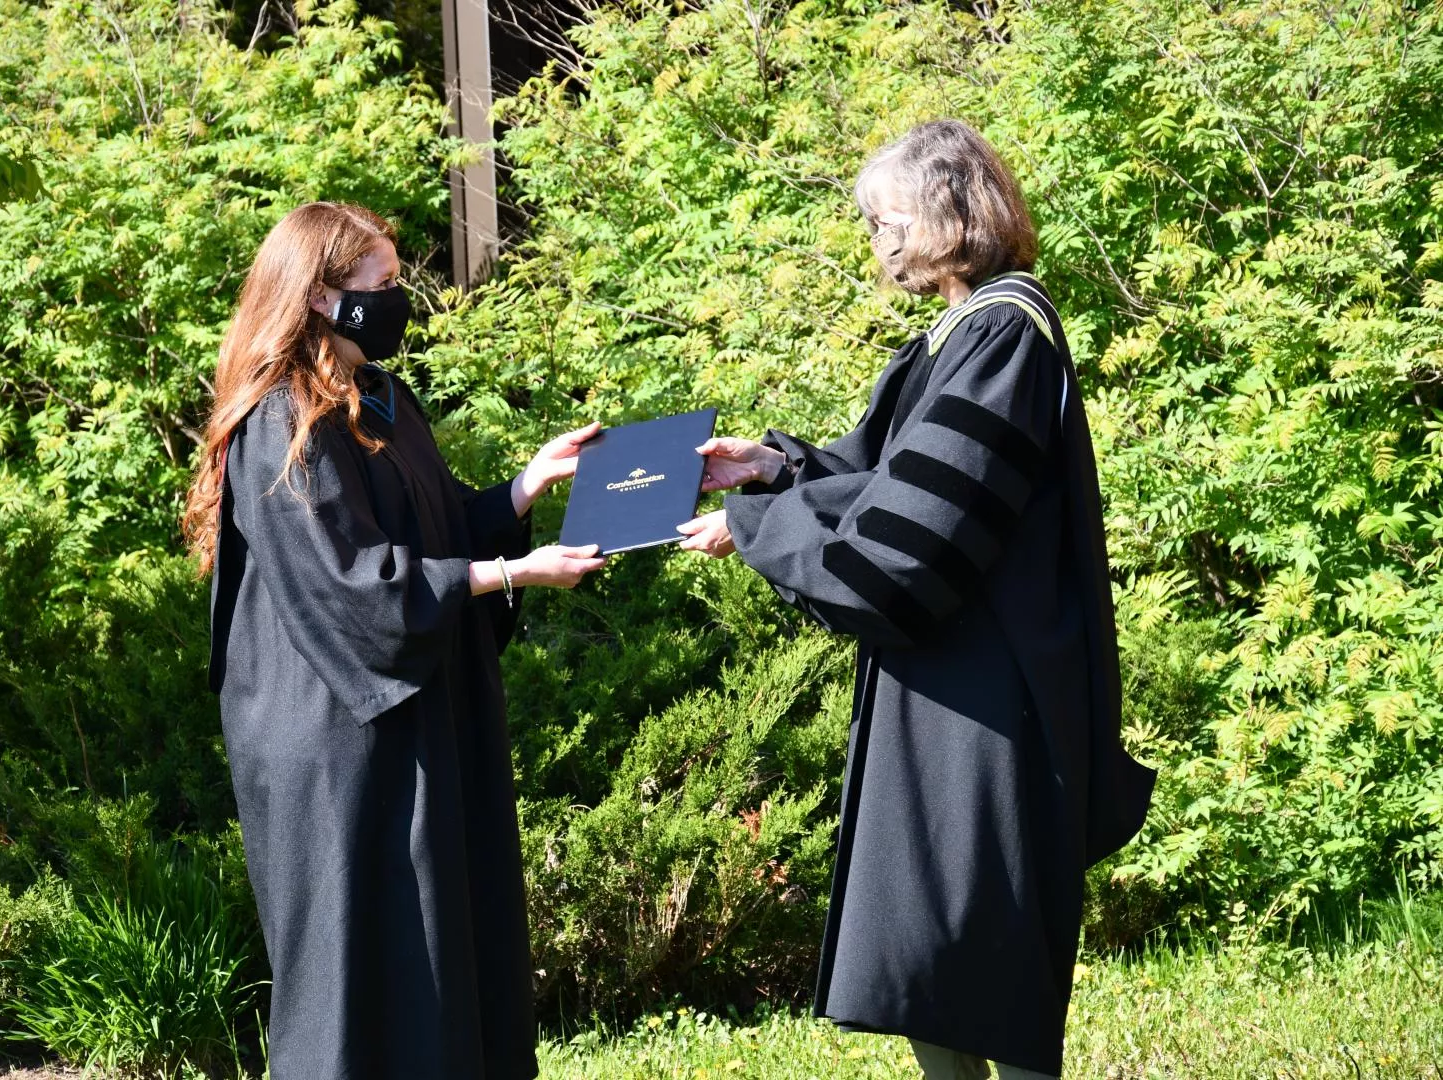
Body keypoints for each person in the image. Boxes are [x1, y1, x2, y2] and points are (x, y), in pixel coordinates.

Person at [676, 120, 1156, 1079]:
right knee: (934, 966)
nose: (878, 241)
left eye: (884, 219)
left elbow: (911, 540)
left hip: (991, 702)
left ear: (946, 212)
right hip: (944, 689)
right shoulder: (958, 334)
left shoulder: (1005, 335)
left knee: (990, 973)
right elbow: (882, 474)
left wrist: (757, 529)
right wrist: (769, 470)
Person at [181, 202, 605, 1079]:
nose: (398, 299)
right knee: (357, 979)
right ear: (322, 297)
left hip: (411, 723)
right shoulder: (280, 423)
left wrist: (529, 484)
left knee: (442, 964)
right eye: (382, 285)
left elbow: (439, 532)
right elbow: (356, 585)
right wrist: (515, 576)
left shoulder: (383, 400)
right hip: (337, 747)